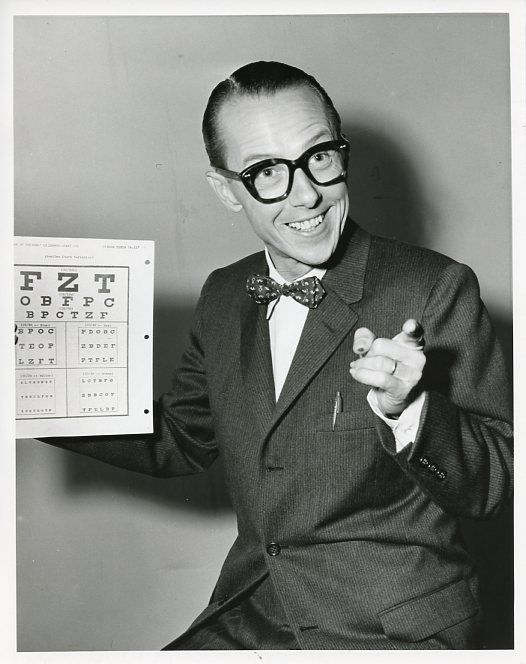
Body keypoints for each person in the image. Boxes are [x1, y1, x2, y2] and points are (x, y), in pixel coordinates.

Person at [41, 61, 512, 650]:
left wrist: (409, 411)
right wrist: (35, 394)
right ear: (226, 190)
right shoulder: (223, 294)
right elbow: (181, 439)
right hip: (253, 612)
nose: (307, 194)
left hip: (392, 628)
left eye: (320, 156)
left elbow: (498, 483)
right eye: (266, 171)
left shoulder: (434, 287)